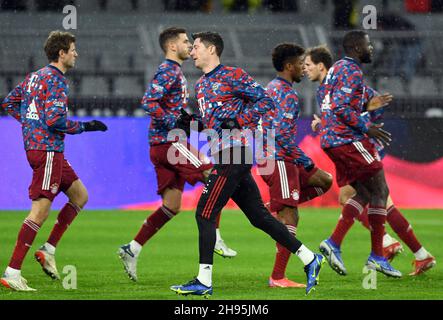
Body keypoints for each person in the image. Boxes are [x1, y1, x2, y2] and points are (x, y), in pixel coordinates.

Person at [170, 31, 324, 297]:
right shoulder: (202, 85)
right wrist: (191, 123)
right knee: (259, 217)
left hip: (235, 152)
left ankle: (204, 281)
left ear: (211, 50)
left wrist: (240, 122)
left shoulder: (233, 75)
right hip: (225, 153)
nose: (191, 52)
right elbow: (215, 125)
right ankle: (310, 258)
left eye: (195, 47)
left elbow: (266, 102)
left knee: (204, 213)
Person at [304, 45, 436, 276]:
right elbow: (341, 117)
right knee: (371, 197)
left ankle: (389, 245)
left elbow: (368, 106)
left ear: (321, 66)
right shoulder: (323, 90)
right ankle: (413, 252)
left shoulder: (343, 82)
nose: (304, 70)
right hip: (349, 147)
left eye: (307, 65)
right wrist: (322, 125)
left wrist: (367, 125)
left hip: (360, 146)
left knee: (372, 197)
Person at [117, 27, 236, 283]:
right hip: (169, 143)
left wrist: (192, 121)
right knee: (216, 176)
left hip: (161, 145)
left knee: (172, 206)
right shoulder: (168, 70)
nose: (190, 46)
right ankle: (215, 237)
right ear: (172, 46)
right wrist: (175, 121)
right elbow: (149, 102)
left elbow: (173, 110)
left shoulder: (175, 72)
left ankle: (132, 248)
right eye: (185, 42)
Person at [0, 31, 108, 291]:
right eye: (73, 49)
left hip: (45, 150)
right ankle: (12, 272)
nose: (76, 54)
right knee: (40, 210)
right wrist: (86, 126)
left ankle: (47, 250)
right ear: (61, 53)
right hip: (47, 150)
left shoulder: (34, 77)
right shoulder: (57, 80)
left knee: (80, 195)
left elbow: (9, 103)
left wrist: (29, 124)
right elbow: (55, 121)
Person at [259, 43, 332, 288]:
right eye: (301, 63)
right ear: (289, 66)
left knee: (325, 181)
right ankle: (277, 277)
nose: (304, 67)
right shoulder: (285, 94)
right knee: (290, 216)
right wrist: (306, 160)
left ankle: (274, 206)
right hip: (278, 158)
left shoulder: (273, 88)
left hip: (278, 157)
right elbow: (279, 135)